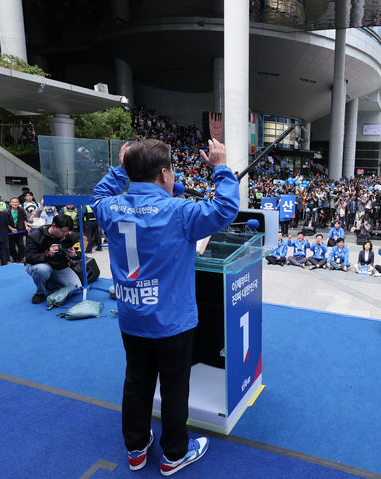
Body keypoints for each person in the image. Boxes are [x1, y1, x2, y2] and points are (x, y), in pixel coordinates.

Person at [91, 138, 239, 475]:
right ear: (163, 173)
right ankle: (174, 454)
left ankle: (136, 448)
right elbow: (225, 209)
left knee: (137, 382)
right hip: (172, 321)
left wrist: (121, 169)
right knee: (174, 388)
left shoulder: (110, 208)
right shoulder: (180, 212)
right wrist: (220, 167)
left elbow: (98, 196)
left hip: (132, 317)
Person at [24, 214, 82, 303]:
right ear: (54, 226)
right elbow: (30, 258)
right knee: (42, 270)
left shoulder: (69, 235)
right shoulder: (35, 236)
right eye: (63, 231)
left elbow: (81, 254)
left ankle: (48, 283)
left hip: (59, 266)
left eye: (67, 232)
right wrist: (48, 254)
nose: (64, 234)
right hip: (40, 265)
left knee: (77, 288)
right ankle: (40, 292)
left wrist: (74, 255)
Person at [7, 197, 29, 262]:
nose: (15, 203)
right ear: (10, 203)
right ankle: (15, 258)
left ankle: (21, 258)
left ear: (19, 203)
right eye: (13, 202)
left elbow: (24, 219)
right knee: (12, 246)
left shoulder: (21, 210)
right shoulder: (6, 211)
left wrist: (26, 226)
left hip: (20, 230)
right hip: (10, 232)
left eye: (16, 202)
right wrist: (11, 229)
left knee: (21, 245)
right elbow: (5, 222)